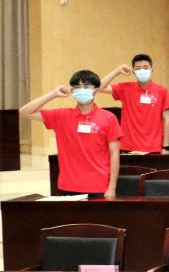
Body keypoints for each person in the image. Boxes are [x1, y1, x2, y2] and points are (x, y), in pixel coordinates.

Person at [19, 70, 121, 199]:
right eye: (77, 87)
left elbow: (114, 154)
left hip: (98, 186)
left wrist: (112, 188)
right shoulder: (61, 116)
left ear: (95, 90)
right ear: (72, 91)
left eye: (86, 86)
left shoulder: (109, 118)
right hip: (68, 186)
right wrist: (53, 94)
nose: (81, 90)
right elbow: (24, 111)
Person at [97, 54, 169, 154]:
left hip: (153, 147)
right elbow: (98, 87)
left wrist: (165, 146)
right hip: (128, 146)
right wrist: (117, 71)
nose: (142, 70)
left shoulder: (162, 91)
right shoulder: (125, 88)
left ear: (151, 70)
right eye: (138, 68)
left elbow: (166, 119)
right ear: (134, 72)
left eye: (145, 67)